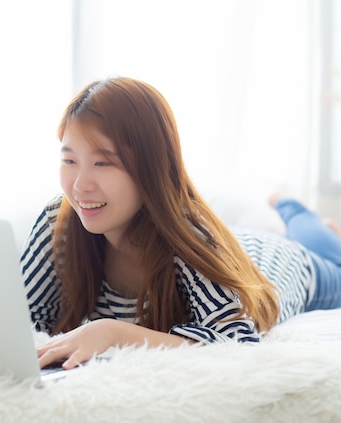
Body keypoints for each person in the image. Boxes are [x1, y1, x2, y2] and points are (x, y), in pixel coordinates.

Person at [20, 77, 341, 370]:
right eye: (69, 160)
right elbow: (21, 319)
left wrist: (112, 331)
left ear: (150, 167)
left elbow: (240, 346)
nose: (79, 185)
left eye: (103, 162)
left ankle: (289, 204)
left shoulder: (190, 238)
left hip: (282, 263)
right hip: (233, 248)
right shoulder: (58, 223)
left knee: (322, 244)